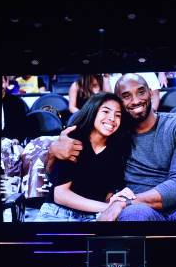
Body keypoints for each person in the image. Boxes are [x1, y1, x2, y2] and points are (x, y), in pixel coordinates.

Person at [49, 73, 176, 222]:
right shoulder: (114, 133)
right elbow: (80, 163)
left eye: (141, 92)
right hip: (139, 208)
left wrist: (121, 203)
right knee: (133, 217)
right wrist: (53, 150)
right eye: (126, 96)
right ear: (118, 102)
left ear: (151, 93)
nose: (135, 100)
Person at [35, 92, 133, 222]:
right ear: (93, 112)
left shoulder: (118, 149)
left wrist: (118, 200)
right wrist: (110, 206)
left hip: (93, 216)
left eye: (118, 115)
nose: (112, 118)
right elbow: (61, 195)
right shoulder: (73, 140)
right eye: (106, 112)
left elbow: (107, 194)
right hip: (57, 213)